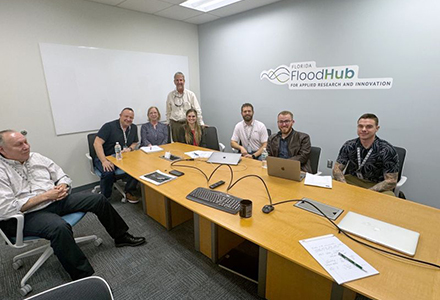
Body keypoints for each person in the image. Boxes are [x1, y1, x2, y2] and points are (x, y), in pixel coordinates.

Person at [0, 130, 146, 280]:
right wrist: (45, 196)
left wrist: (63, 186)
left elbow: (62, 175)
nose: (26, 146)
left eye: (26, 141)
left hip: (54, 200)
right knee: (59, 227)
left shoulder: (36, 157)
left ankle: (121, 237)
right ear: (2, 150)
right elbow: (5, 209)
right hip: (26, 215)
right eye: (19, 144)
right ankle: (83, 276)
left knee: (98, 199)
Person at [332, 113, 399, 195]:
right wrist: (344, 185)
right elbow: (337, 169)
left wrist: (367, 193)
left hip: (377, 185)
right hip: (352, 180)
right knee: (331, 186)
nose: (363, 129)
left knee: (389, 198)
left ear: (377, 128)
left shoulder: (387, 150)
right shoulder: (349, 145)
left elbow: (391, 181)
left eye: (369, 127)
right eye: (360, 126)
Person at [93, 108, 139, 203]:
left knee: (137, 167)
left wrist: (130, 149)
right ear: (120, 116)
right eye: (126, 116)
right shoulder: (109, 126)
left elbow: (135, 142)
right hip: (105, 157)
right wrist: (104, 161)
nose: (128, 119)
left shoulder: (133, 128)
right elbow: (97, 143)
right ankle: (105, 198)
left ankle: (129, 191)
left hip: (122, 157)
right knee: (108, 172)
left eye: (131, 117)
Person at [166, 72, 204, 141]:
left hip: (188, 124)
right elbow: (168, 111)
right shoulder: (170, 95)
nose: (179, 82)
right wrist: (167, 123)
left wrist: (201, 123)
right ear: (174, 82)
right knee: (177, 145)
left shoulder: (190, 94)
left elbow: (197, 110)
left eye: (181, 80)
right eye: (177, 80)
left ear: (184, 81)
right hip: (175, 124)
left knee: (188, 143)